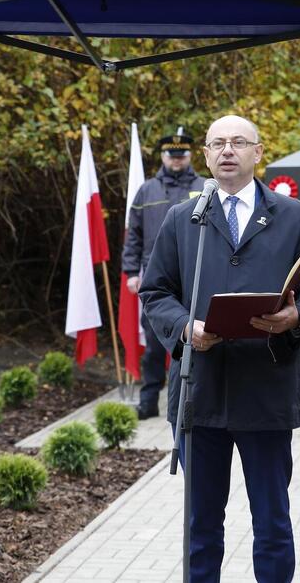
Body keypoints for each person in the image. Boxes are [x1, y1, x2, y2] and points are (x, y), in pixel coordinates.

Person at [140, 114, 300, 582]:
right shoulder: (183, 218)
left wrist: (294, 318)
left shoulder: (294, 216)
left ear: (258, 152)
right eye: (218, 143)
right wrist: (186, 328)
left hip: (265, 391)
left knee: (272, 523)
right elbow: (156, 292)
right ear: (206, 155)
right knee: (201, 526)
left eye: (238, 142)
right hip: (199, 393)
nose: (227, 150)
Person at [122, 132, 206, 420]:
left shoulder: (205, 187)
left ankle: (193, 401)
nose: (177, 160)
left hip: (196, 274)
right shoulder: (147, 191)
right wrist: (131, 272)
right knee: (155, 344)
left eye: (182, 155)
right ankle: (148, 401)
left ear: (190, 156)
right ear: (162, 156)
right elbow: (133, 236)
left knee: (196, 338)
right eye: (172, 155)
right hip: (156, 278)